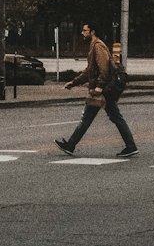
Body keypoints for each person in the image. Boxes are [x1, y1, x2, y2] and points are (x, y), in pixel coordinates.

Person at [55, 22, 137, 157]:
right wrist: (74, 82)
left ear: (92, 32)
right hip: (103, 89)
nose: (82, 33)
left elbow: (104, 69)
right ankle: (131, 145)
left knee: (89, 118)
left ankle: (70, 145)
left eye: (85, 30)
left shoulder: (98, 46)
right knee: (112, 117)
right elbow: (89, 71)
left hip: (103, 90)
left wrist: (99, 86)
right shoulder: (94, 46)